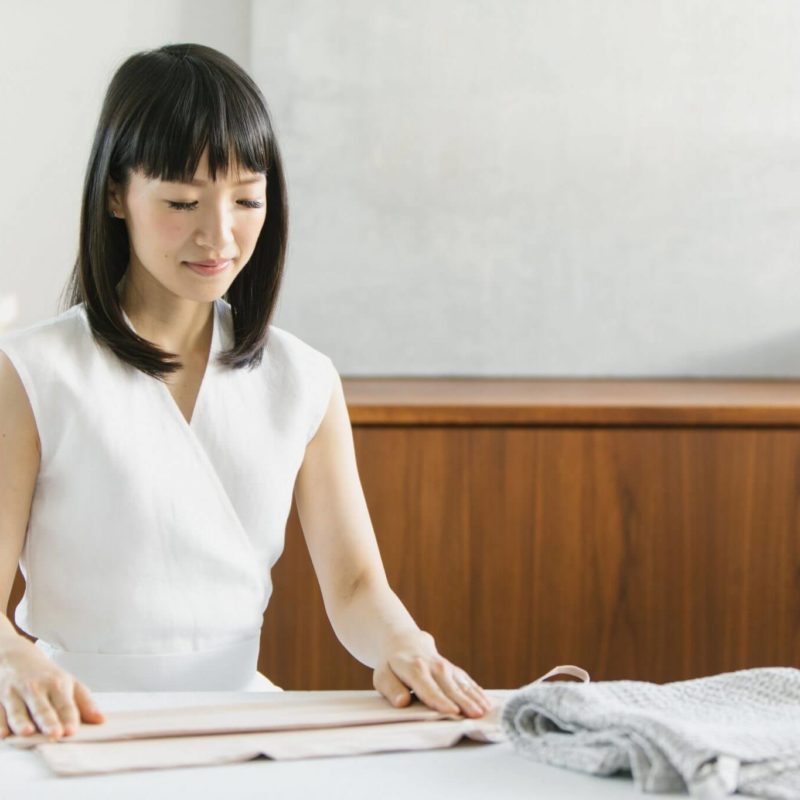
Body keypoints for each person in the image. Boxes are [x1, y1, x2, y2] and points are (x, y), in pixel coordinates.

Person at [0, 43, 491, 741]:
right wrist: (14, 661)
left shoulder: (303, 378)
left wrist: (404, 643)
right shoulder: (31, 373)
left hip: (241, 722)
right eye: (181, 201)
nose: (219, 235)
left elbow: (355, 588)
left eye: (246, 199)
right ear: (116, 194)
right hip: (72, 722)